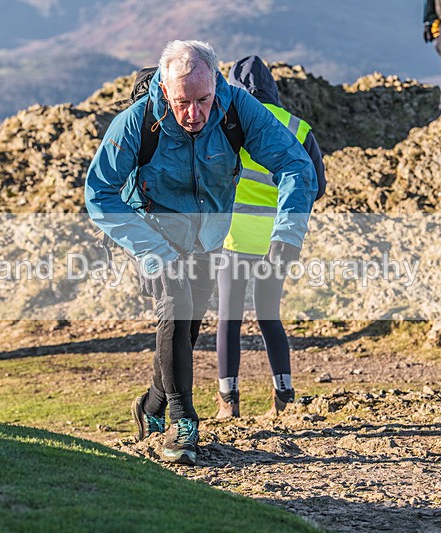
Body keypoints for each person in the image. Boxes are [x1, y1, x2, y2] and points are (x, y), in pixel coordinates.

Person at [85, 40, 317, 465]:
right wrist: (151, 250)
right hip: (155, 233)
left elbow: (296, 165)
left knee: (187, 330)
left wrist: (288, 231)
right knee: (175, 309)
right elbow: (98, 193)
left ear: (216, 83)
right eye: (182, 102)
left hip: (210, 237)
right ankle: (183, 422)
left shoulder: (237, 111)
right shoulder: (137, 122)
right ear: (165, 89)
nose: (193, 114)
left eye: (203, 100)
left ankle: (152, 405)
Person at [215, 56, 326, 419]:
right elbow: (316, 187)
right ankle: (284, 394)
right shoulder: (300, 128)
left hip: (235, 238)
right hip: (278, 239)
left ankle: (228, 401)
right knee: (269, 315)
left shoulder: (230, 122)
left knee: (229, 318)